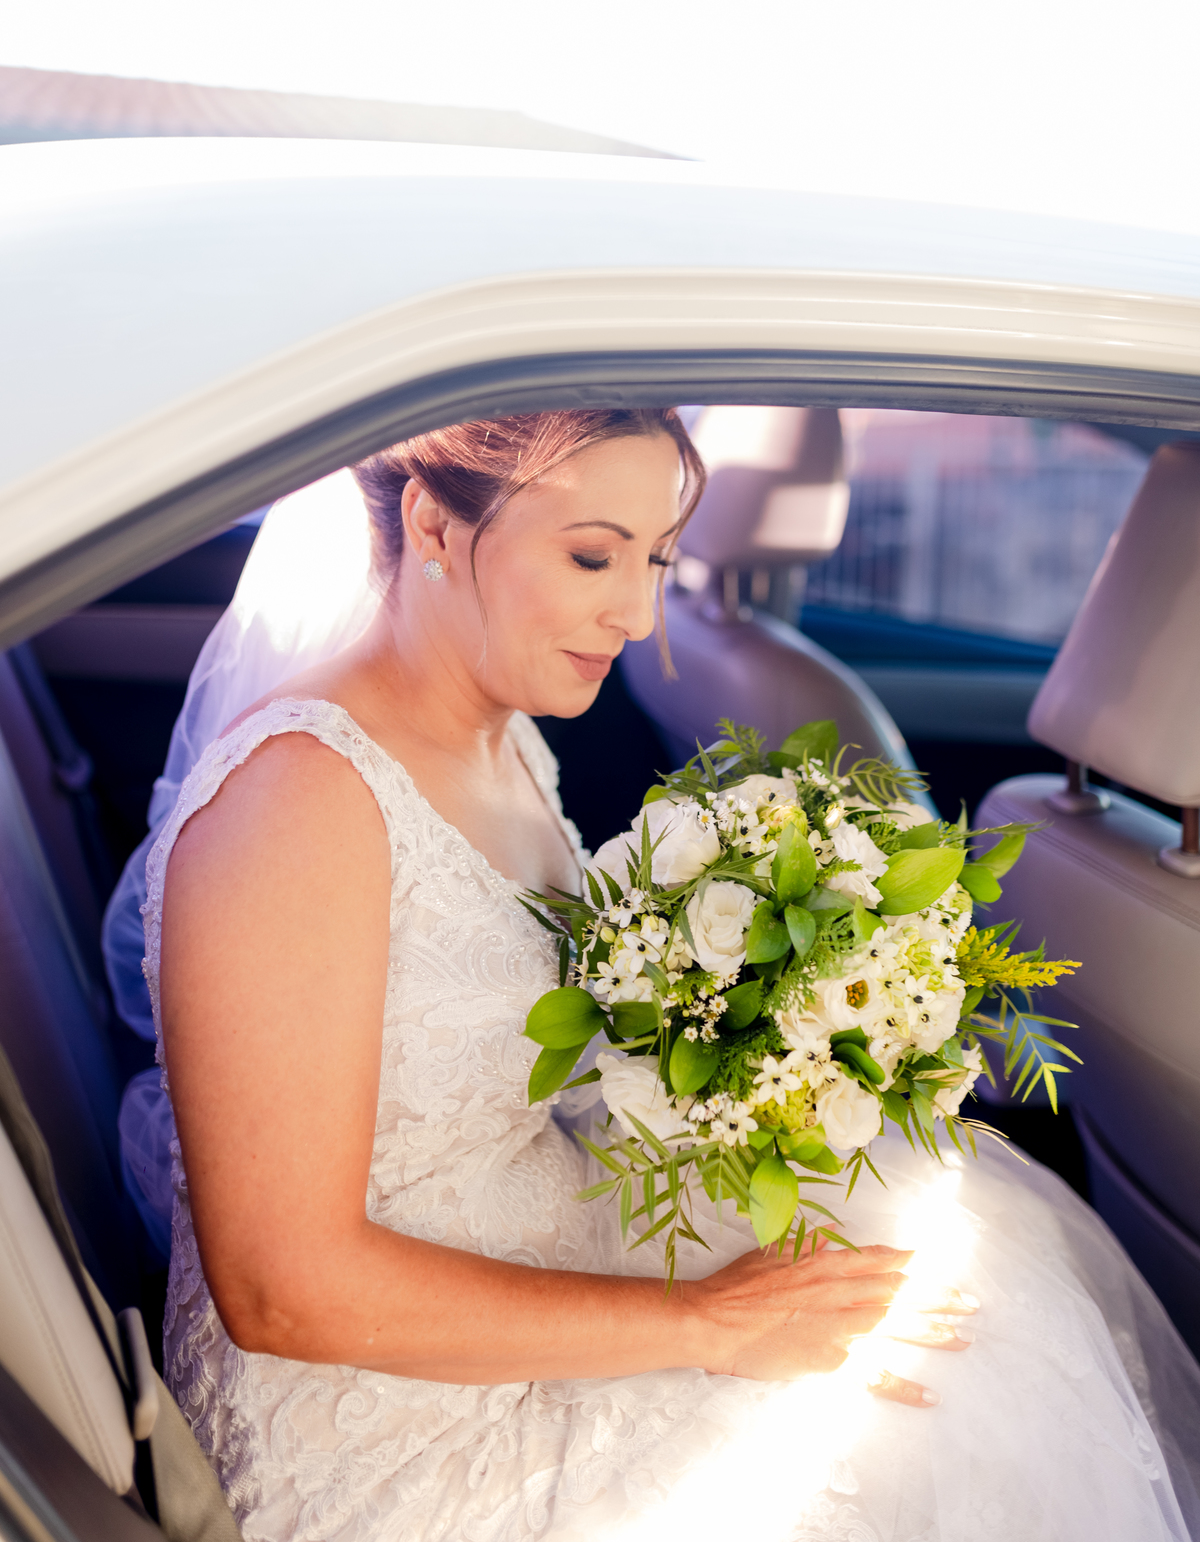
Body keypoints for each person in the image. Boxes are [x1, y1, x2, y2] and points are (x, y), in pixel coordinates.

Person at [132, 407, 1199, 1542]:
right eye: (593, 557)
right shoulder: (297, 804)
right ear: (434, 525)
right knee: (936, 1421)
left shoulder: (504, 732)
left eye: (655, 560)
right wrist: (713, 1324)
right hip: (395, 1433)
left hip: (543, 1263)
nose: (638, 616)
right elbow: (281, 1288)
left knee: (956, 1293)